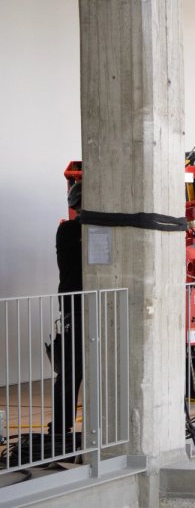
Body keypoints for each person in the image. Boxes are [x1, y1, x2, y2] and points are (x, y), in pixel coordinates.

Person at [49, 180, 84, 439]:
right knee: (71, 371)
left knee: (73, 371)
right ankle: (61, 429)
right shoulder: (70, 231)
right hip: (77, 308)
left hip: (88, 306)